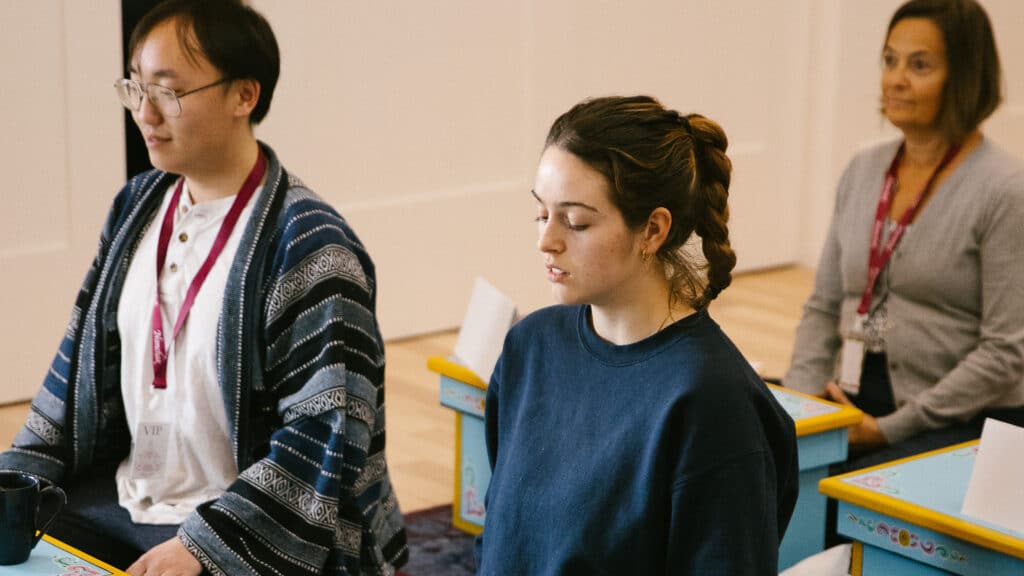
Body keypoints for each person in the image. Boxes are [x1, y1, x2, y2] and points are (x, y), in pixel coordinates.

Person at [0, 1, 407, 574]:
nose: (145, 112)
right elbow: (75, 374)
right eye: (135, 88)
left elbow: (326, 436)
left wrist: (204, 546)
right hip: (129, 502)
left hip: (255, 528)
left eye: (168, 93)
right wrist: (17, 478)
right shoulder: (137, 205)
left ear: (244, 95)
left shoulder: (313, 247)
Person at [476, 96, 799, 574]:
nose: (546, 240)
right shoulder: (531, 346)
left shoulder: (711, 402)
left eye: (577, 221)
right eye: (542, 214)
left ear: (652, 230)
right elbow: (503, 537)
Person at [785, 0, 1024, 473]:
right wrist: (798, 407)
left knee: (843, 493)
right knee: (749, 450)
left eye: (919, 65)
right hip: (856, 396)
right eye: (890, 60)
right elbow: (823, 305)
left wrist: (886, 430)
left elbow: (1004, 354)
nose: (895, 79)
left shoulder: (1005, 190)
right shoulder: (863, 170)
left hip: (958, 415)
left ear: (964, 76)